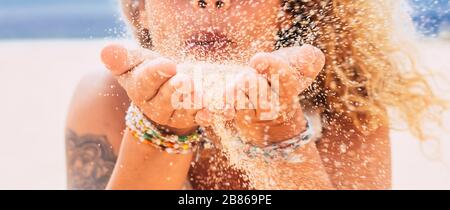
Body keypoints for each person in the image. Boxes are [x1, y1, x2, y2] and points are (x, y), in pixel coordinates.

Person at [65, 0, 444, 190]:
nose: (210, 1)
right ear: (141, 8)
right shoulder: (106, 101)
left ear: (286, 11)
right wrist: (158, 129)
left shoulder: (346, 109)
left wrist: (278, 131)